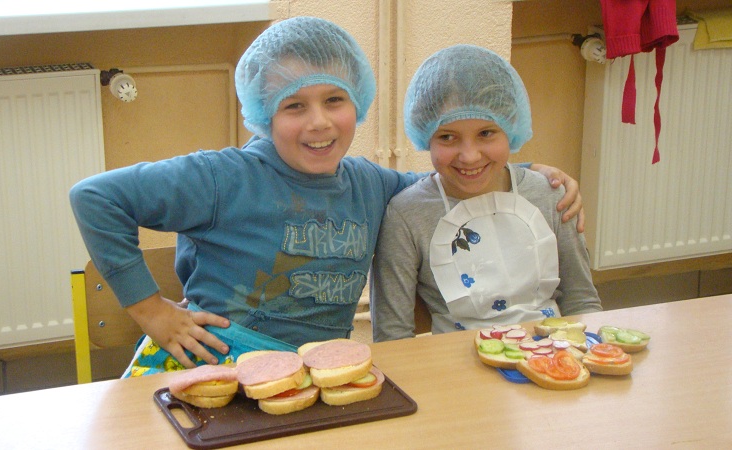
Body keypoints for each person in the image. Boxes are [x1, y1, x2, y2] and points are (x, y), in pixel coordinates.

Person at [70, 18, 584, 376]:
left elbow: (448, 179)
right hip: (211, 362)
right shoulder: (222, 177)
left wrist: (528, 173)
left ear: (357, 102)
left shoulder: (371, 185)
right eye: (294, 106)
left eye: (334, 100)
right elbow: (95, 198)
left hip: (319, 370)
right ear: (263, 112)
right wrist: (152, 311)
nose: (319, 122)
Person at [370, 44, 601, 342]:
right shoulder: (406, 215)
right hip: (453, 362)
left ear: (511, 127)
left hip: (552, 354)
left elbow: (582, 301)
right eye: (447, 136)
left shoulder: (551, 195)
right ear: (426, 137)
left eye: (486, 133)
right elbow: (392, 336)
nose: (469, 156)